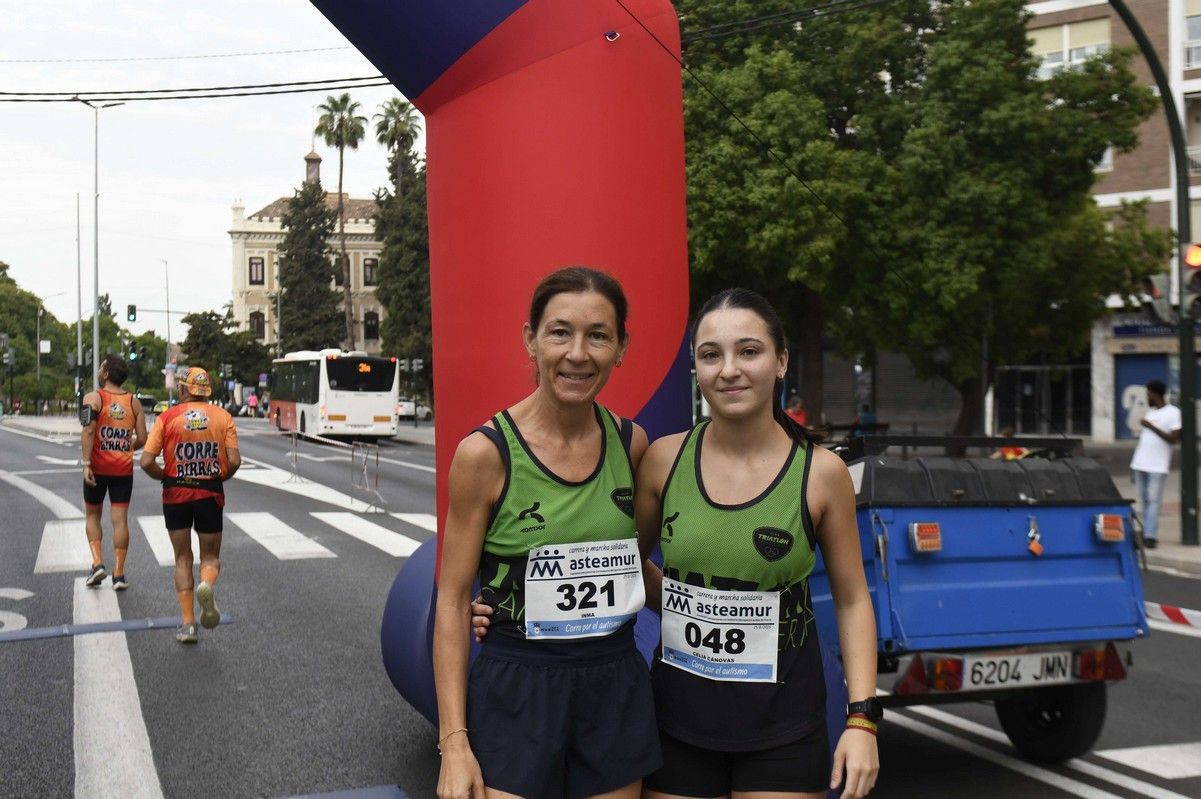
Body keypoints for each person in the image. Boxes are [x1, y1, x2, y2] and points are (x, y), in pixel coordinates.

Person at [637, 289, 879, 799]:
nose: (729, 370)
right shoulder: (663, 460)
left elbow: (854, 600)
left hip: (784, 729)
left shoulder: (821, 474)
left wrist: (862, 722)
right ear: (696, 368)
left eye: (749, 351)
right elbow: (624, 562)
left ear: (781, 360)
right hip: (674, 721)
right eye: (711, 355)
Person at [434, 267, 660, 799]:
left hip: (614, 686)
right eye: (560, 332)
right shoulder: (484, 455)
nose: (577, 353)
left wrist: (710, 615)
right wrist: (455, 744)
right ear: (530, 339)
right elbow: (450, 601)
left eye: (598, 335)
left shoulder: (632, 445)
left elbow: (631, 565)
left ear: (621, 347)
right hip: (518, 687)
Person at [139, 367, 241, 643]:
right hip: (209, 494)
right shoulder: (223, 417)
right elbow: (234, 461)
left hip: (176, 495)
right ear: (207, 390)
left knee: (182, 558)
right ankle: (206, 584)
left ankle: (188, 625)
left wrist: (165, 476)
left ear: (184, 389)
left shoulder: (167, 417)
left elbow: (146, 461)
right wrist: (221, 476)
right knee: (209, 558)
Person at [80, 355, 147, 590]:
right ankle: (119, 575)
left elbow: (88, 431)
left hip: (97, 469)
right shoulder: (133, 403)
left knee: (92, 516)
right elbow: (142, 439)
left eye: (101, 368)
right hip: (122, 470)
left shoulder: (94, 398)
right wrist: (126, 447)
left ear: (106, 374)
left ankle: (98, 564)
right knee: (120, 521)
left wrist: (86, 463)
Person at [1130, 379, 1181, 549]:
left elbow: (1173, 439)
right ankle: (1145, 533)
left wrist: (1151, 426)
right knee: (1144, 501)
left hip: (1158, 466)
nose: (1147, 397)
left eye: (1148, 394)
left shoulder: (1173, 412)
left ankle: (1150, 537)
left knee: (1153, 500)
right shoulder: (1151, 412)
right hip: (1140, 463)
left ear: (1156, 394)